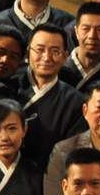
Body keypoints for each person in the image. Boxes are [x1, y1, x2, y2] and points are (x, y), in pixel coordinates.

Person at [14, 22, 88, 166]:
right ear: (28, 52)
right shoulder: (9, 86)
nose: (47, 57)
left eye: (55, 51)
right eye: (40, 50)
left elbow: (72, 152)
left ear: (65, 56)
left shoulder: (75, 102)